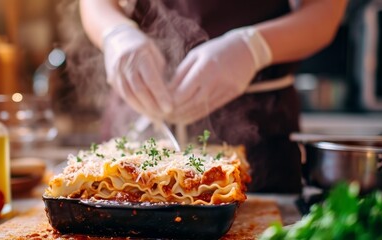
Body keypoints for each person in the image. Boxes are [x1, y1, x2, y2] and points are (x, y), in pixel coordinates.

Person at [80, 0, 347, 193]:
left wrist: (254, 47)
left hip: (258, 134)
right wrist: (115, 33)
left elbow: (325, 12)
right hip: (137, 113)